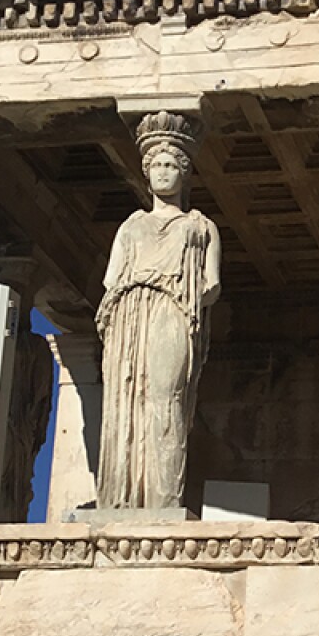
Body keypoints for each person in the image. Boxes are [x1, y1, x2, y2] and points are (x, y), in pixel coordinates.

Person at [96, 111, 221, 509]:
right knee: (125, 402)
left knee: (167, 400)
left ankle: (165, 500)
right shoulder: (131, 225)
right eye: (157, 166)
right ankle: (121, 497)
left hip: (172, 310)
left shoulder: (200, 226)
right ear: (146, 174)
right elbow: (112, 279)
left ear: (184, 172)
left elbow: (211, 284)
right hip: (129, 314)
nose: (163, 172)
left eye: (171, 165)